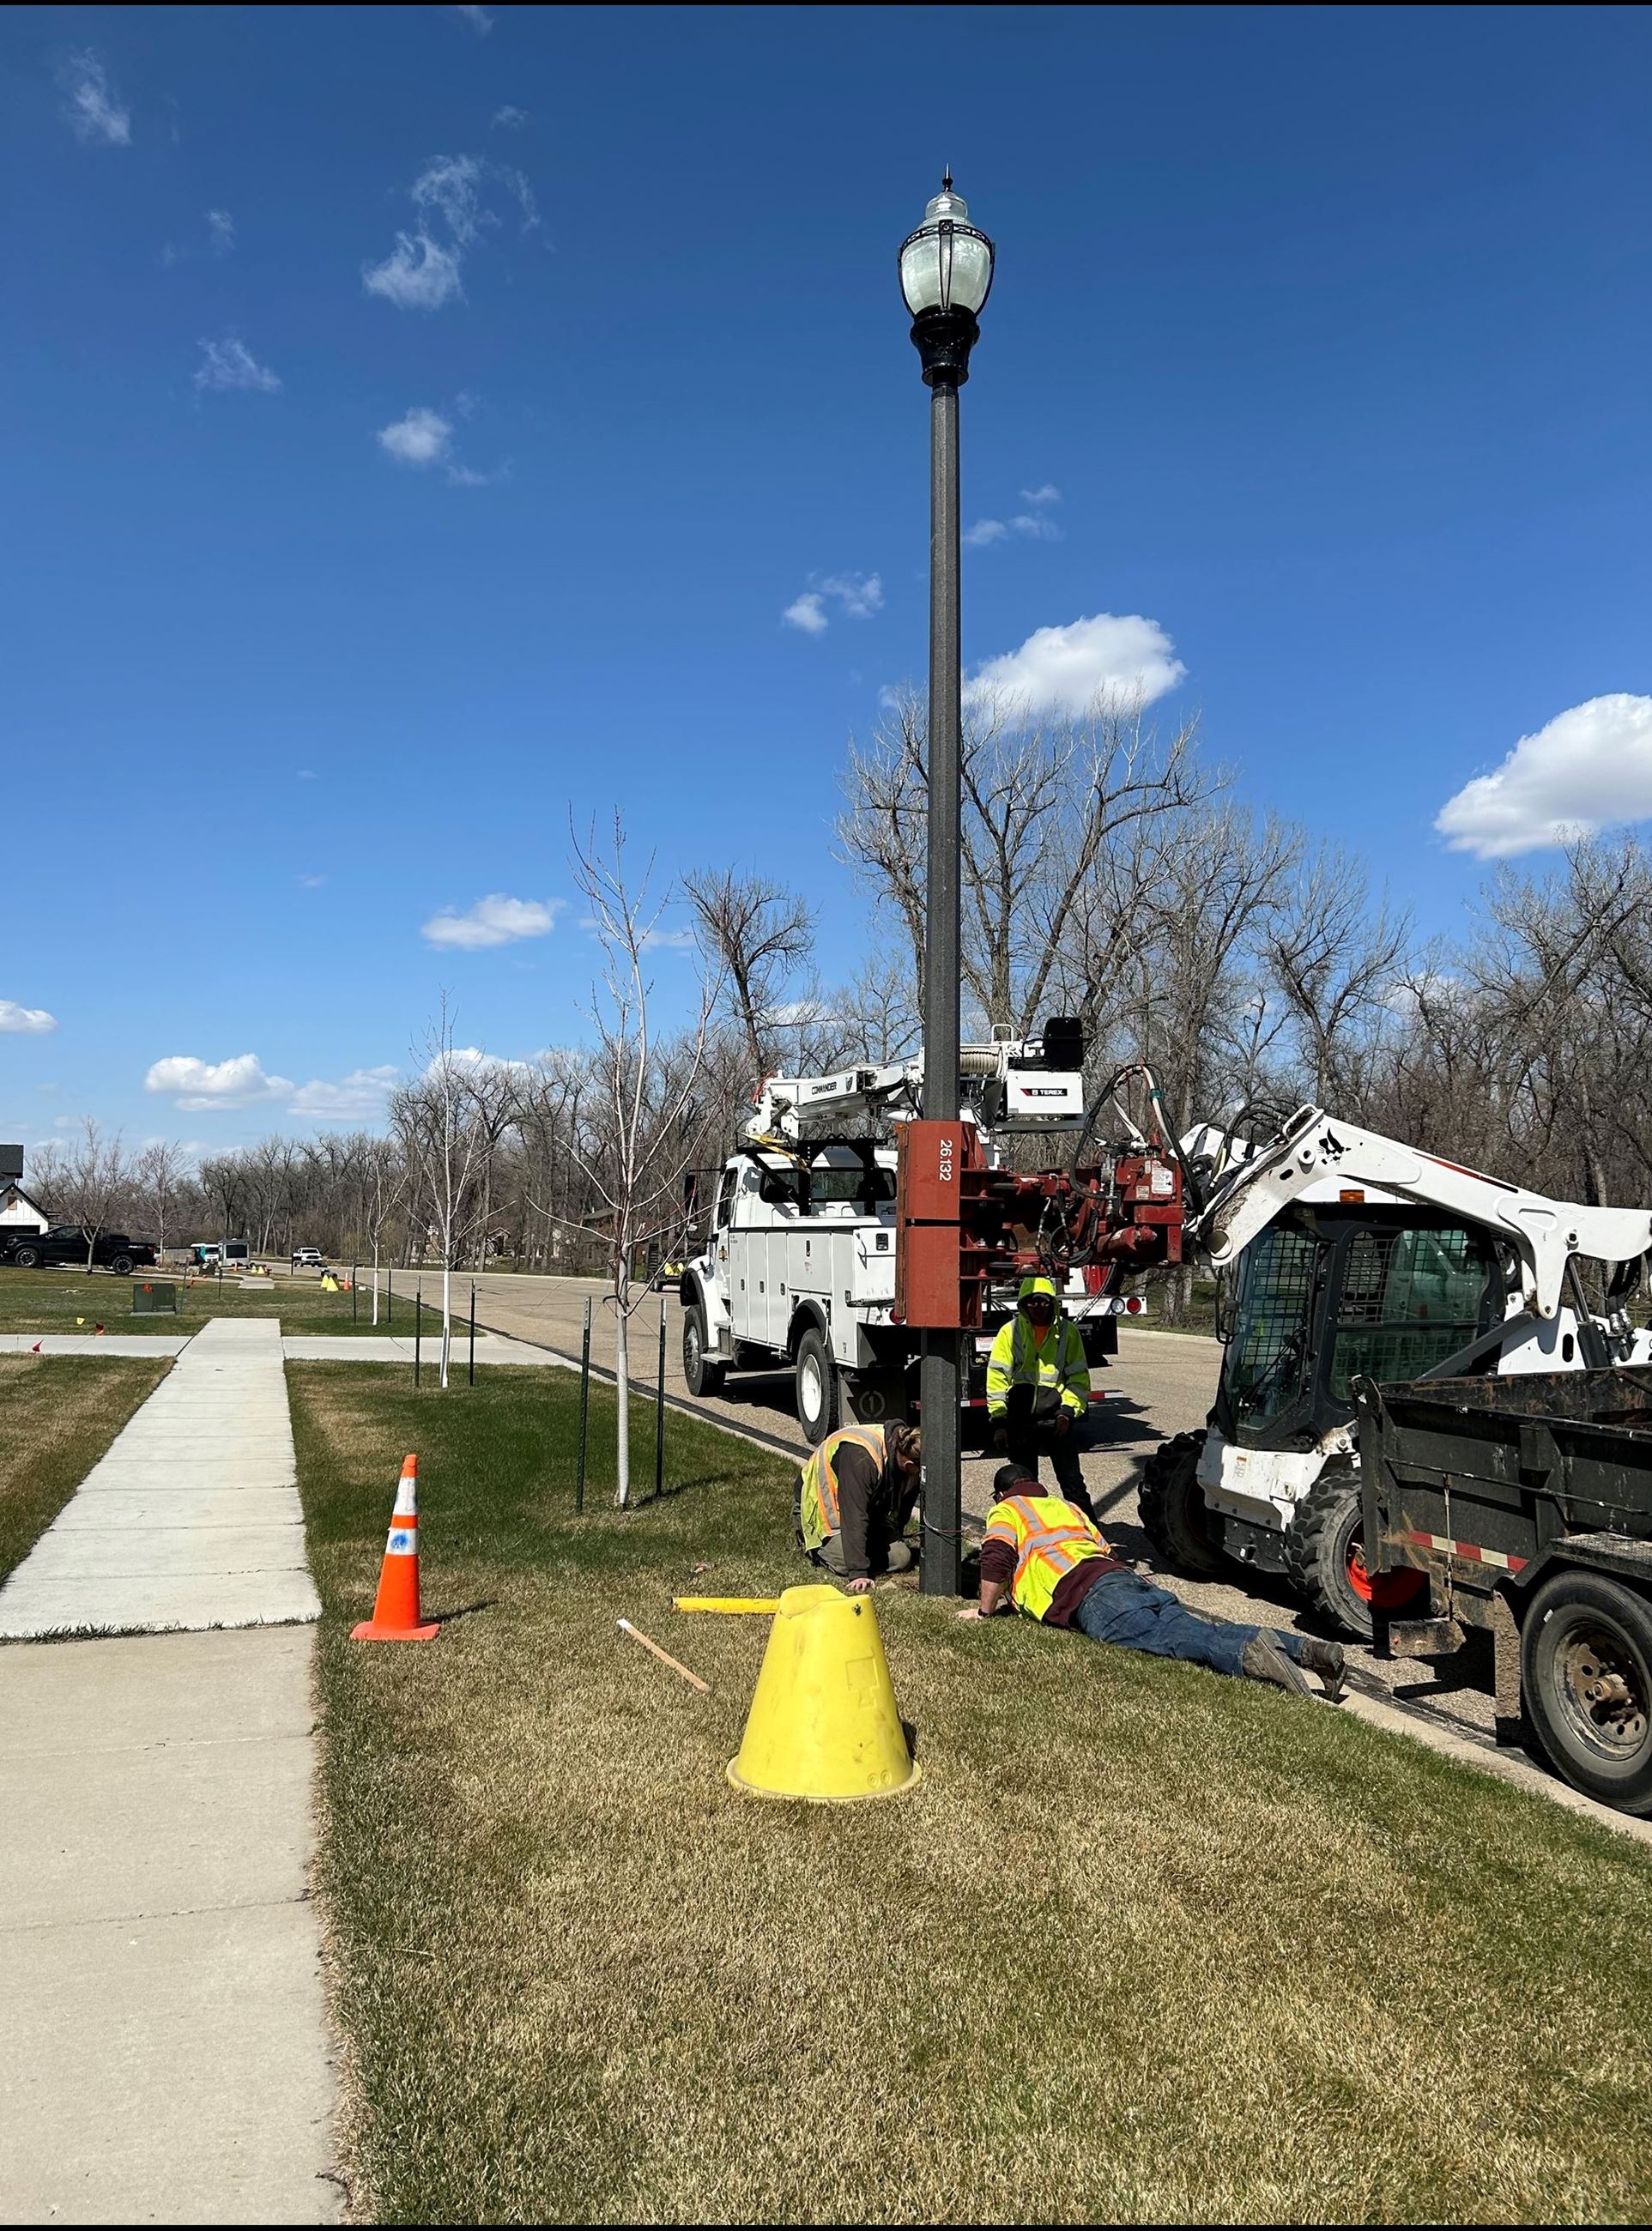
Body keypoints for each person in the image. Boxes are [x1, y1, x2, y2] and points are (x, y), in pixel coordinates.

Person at [959, 1465, 1344, 1698]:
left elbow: (997, 1557)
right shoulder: (1066, 1506)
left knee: (1173, 1641)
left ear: (1000, 1494)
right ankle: (1310, 1651)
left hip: (1089, 1596)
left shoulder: (1006, 1509)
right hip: (1120, 1579)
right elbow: (1104, 1549)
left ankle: (1249, 1655)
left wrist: (984, 1611)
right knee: (1193, 1626)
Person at [985, 1274, 1096, 1518]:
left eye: (1043, 1302)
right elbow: (996, 1378)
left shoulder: (1068, 1333)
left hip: (1057, 1421)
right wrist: (1000, 1422)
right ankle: (1030, 1537)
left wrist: (1067, 1412)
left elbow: (1078, 1379)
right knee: (1024, 1489)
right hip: (1020, 1422)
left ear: (1052, 1303)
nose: (1038, 1307)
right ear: (1024, 1304)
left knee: (1073, 1487)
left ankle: (1093, 1536)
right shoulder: (1010, 1332)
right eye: (1032, 1302)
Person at [794, 1422, 923, 1593]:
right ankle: (819, 1551)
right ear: (908, 1465)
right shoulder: (860, 1458)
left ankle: (861, 1550)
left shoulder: (903, 1460)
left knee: (901, 1558)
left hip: (865, 1512)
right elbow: (854, 1516)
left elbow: (902, 1509)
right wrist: (859, 1572)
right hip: (822, 1514)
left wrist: (894, 1534)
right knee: (842, 1561)